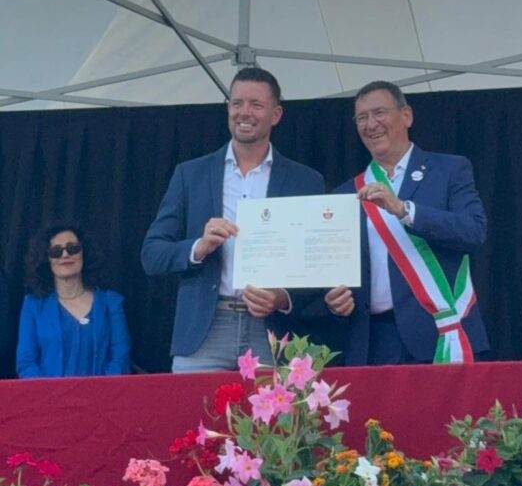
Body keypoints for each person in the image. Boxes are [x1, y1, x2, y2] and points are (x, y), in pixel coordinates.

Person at [141, 67, 324, 371]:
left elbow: (318, 265)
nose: (244, 112)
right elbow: (152, 254)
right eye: (237, 103)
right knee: (194, 405)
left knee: (277, 406)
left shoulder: (305, 181)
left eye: (256, 104)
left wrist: (283, 298)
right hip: (204, 332)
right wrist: (198, 247)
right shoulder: (191, 174)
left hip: (272, 333)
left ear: (276, 114)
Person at [325, 80, 489, 365]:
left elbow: (473, 231)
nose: (371, 124)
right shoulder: (345, 194)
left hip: (438, 332)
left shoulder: (449, 169)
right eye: (362, 118)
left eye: (379, 112)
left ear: (406, 116)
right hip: (372, 342)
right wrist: (332, 297)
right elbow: (334, 267)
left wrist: (404, 210)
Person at [16, 223, 131, 379]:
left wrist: (101, 391)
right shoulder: (33, 305)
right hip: (48, 394)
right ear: (46, 259)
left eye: (73, 248)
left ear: (84, 253)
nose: (65, 255)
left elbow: (121, 359)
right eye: (56, 251)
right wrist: (50, 392)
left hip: (104, 394)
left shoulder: (111, 303)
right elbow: (26, 363)